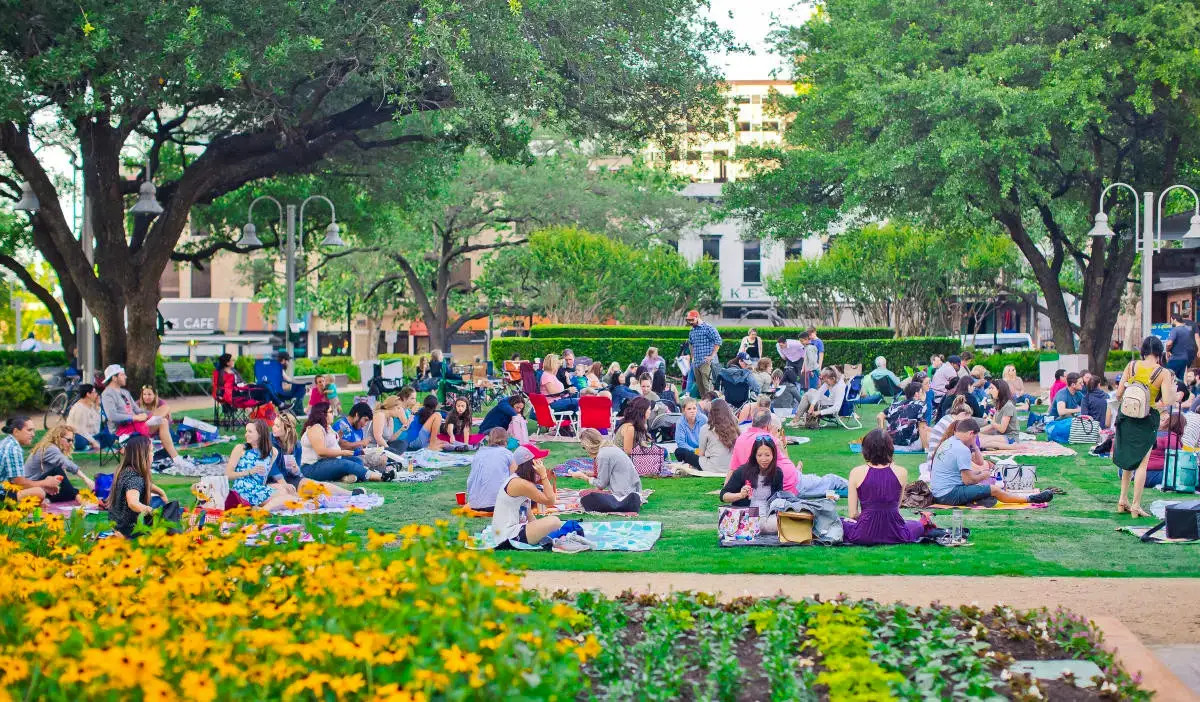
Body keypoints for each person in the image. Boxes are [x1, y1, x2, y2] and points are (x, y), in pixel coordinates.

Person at [1114, 335, 1177, 518]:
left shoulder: (1131, 366)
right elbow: (1167, 401)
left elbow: (1119, 394)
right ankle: (1135, 505)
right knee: (1142, 463)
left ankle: (1122, 500)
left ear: (1143, 351)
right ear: (1159, 352)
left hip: (1126, 417)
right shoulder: (1162, 373)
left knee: (1127, 460)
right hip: (1147, 420)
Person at [930, 419, 1054, 506]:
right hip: (949, 495)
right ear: (971, 433)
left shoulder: (949, 442)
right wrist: (985, 474)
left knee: (981, 486)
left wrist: (974, 446)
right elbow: (968, 480)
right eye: (975, 438)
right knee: (994, 489)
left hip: (939, 492)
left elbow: (973, 467)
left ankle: (980, 498)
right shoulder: (961, 449)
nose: (975, 440)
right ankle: (1029, 499)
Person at [842, 429, 929, 545]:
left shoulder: (856, 472)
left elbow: (853, 514)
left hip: (864, 534)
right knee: (917, 525)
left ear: (865, 449)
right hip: (895, 532)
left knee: (840, 522)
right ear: (890, 448)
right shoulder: (901, 472)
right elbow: (896, 506)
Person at [100, 365, 192, 470]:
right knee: (163, 422)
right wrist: (135, 417)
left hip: (136, 424)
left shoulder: (125, 393)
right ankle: (177, 459)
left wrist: (147, 414)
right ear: (114, 378)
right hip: (122, 431)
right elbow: (112, 416)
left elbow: (138, 410)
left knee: (165, 410)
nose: (125, 377)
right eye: (122, 375)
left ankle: (176, 459)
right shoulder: (107, 394)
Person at [488, 446, 566, 549]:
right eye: (539, 461)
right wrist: (544, 476)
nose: (542, 464)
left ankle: (545, 538)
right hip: (507, 536)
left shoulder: (520, 480)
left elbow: (528, 513)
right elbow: (551, 500)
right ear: (532, 464)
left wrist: (538, 528)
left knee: (554, 524)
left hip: (509, 532)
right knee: (554, 521)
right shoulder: (521, 483)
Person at [301, 402, 387, 484]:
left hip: (327, 462)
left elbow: (331, 443)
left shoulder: (327, 427)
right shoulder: (315, 428)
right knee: (345, 464)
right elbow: (321, 451)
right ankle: (378, 477)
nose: (333, 414)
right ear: (322, 414)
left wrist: (340, 434)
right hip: (312, 467)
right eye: (331, 412)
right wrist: (342, 452)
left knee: (357, 461)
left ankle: (343, 478)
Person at [270, 413, 352, 496]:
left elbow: (298, 472)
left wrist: (295, 469)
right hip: (271, 480)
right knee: (287, 493)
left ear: (288, 429)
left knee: (316, 486)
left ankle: (350, 493)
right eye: (274, 424)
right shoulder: (269, 442)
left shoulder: (296, 445)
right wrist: (284, 484)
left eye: (277, 426)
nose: (273, 428)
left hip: (289, 478)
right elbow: (272, 466)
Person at [106, 435, 169, 538]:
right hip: (130, 530)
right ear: (143, 454)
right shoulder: (135, 478)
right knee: (165, 512)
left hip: (117, 523)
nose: (153, 454)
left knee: (158, 501)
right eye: (151, 451)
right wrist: (151, 511)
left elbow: (143, 484)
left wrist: (161, 492)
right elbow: (133, 503)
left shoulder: (126, 470)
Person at [721, 435, 784, 534]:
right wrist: (740, 495)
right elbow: (723, 495)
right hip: (748, 513)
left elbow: (780, 497)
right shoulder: (743, 471)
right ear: (754, 455)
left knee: (785, 522)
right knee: (772, 525)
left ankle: (761, 527)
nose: (763, 459)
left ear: (773, 455)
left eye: (767, 455)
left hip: (768, 513)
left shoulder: (777, 473)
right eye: (759, 455)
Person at [225, 420, 294, 511]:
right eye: (246, 431)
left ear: (260, 434)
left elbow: (263, 480)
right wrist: (249, 472)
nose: (246, 434)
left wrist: (281, 486)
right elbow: (228, 475)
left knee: (284, 490)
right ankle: (263, 510)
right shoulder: (241, 449)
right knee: (290, 499)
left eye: (250, 432)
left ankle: (260, 507)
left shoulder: (272, 452)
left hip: (256, 488)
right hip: (243, 489)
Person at [572, 429, 643, 512]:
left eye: (584, 447)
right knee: (588, 495)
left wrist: (583, 477)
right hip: (633, 490)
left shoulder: (602, 455)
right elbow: (607, 473)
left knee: (585, 496)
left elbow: (601, 484)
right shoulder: (609, 448)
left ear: (589, 445)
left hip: (622, 495)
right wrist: (587, 474)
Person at [22, 425, 95, 503]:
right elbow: (66, 463)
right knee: (58, 470)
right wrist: (86, 479)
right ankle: (77, 497)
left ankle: (51, 499)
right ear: (58, 438)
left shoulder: (52, 448)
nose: (71, 443)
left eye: (72, 441)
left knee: (68, 490)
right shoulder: (50, 448)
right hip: (31, 486)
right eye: (69, 440)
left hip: (40, 485)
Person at [1, 417, 56, 502]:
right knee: (39, 492)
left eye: (33, 430)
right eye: (29, 430)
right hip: (2, 493)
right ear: (16, 432)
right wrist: (45, 483)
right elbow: (20, 483)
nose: (33, 434)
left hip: (6, 488)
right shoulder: (13, 449)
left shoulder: (8, 442)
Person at [466, 428, 516, 512]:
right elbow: (515, 479)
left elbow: (471, 480)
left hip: (473, 504)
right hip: (497, 504)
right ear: (506, 440)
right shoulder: (508, 454)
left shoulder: (479, 453)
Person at [876, 381, 925, 450]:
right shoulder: (921, 405)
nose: (924, 394)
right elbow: (922, 428)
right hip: (908, 446)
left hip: (890, 445)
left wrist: (882, 434)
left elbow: (879, 416)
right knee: (929, 432)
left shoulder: (895, 404)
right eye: (922, 392)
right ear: (917, 394)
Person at [695, 398, 738, 473]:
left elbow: (701, 453)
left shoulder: (706, 428)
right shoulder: (735, 427)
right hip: (732, 466)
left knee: (681, 452)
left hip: (712, 467)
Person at [685, 309, 722, 397]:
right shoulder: (692, 331)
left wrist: (712, 356)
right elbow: (691, 344)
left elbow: (718, 341)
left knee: (708, 388)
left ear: (697, 317)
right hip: (696, 363)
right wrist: (693, 357)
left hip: (706, 363)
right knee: (700, 389)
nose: (690, 322)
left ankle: (712, 407)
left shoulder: (708, 328)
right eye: (688, 320)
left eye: (692, 320)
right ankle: (704, 407)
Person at [1145, 411, 1184, 489]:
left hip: (1141, 473)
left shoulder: (1154, 433)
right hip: (1155, 474)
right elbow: (1179, 460)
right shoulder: (1171, 438)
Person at [978, 379, 1019, 449]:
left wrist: (989, 420)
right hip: (999, 435)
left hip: (1010, 437)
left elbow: (1002, 429)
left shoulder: (1008, 406)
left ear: (1000, 390)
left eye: (992, 388)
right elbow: (993, 426)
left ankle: (1011, 447)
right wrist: (977, 431)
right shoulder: (998, 404)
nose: (990, 390)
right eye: (989, 388)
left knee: (983, 442)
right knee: (977, 437)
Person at [66, 383, 103, 451]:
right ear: (88, 394)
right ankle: (89, 444)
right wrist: (94, 442)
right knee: (81, 442)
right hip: (78, 436)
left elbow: (100, 422)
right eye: (94, 392)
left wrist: (97, 407)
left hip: (90, 436)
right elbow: (81, 430)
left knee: (107, 434)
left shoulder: (91, 405)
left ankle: (91, 443)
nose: (97, 394)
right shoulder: (79, 408)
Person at [673, 398, 708, 468]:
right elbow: (681, 443)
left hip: (704, 451)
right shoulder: (680, 422)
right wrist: (695, 451)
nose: (692, 411)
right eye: (689, 409)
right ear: (683, 411)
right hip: (690, 452)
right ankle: (699, 463)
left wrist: (702, 451)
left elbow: (709, 438)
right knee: (678, 451)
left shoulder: (703, 419)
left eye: (694, 408)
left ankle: (695, 463)